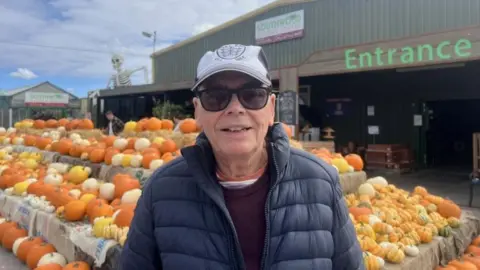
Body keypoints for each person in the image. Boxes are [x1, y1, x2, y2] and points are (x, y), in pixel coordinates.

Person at [119, 44, 363, 270]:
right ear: (197, 111)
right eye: (215, 96)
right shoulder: (161, 190)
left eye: (252, 95)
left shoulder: (321, 182)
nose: (235, 108)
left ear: (271, 108)